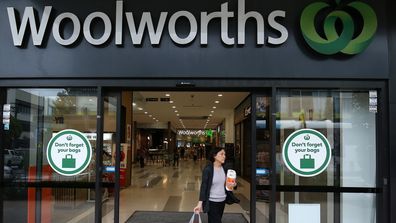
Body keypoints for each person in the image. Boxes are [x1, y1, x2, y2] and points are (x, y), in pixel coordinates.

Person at [193, 147, 237, 223]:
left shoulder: (225, 169)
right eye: (221, 154)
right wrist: (200, 204)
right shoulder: (208, 169)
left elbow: (232, 185)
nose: (224, 156)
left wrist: (234, 184)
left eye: (224, 154)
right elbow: (204, 187)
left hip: (222, 201)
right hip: (212, 202)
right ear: (214, 156)